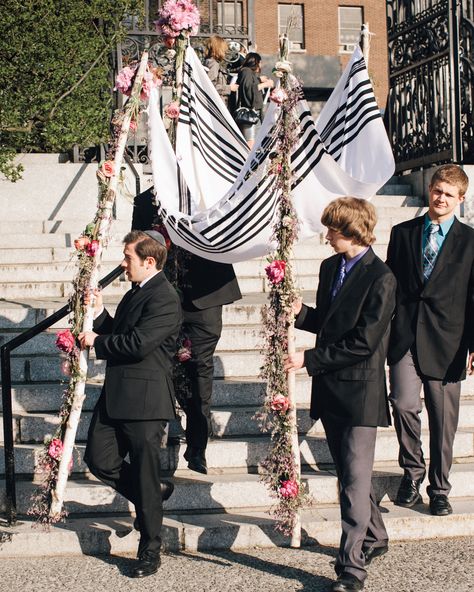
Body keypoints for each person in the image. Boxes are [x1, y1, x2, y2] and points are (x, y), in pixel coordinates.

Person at [285, 197, 397, 592]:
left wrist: (309, 359)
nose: (327, 235)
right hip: (330, 391)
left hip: (360, 394)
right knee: (354, 477)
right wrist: (300, 312)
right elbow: (330, 324)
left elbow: (363, 342)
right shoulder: (329, 267)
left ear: (352, 231)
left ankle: (351, 568)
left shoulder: (382, 277)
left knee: (351, 483)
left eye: (332, 229)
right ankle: (376, 535)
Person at [78, 230, 182, 579]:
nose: (123, 264)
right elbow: (121, 332)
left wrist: (97, 340)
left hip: (146, 402)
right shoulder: (137, 291)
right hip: (117, 394)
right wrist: (101, 312)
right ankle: (151, 491)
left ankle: (150, 551)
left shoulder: (164, 297)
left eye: (128, 258)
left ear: (148, 261)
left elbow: (138, 344)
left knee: (143, 471)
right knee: (98, 458)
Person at [131, 188, 242, 475]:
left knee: (199, 368)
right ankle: (159, 432)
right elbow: (137, 249)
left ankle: (197, 447)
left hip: (205, 297)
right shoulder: (146, 201)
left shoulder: (211, 188)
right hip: (163, 297)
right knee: (163, 367)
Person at [386, 164, 474, 516]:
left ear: (460, 199)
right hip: (405, 335)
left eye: (448, 194)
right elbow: (388, 287)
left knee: (443, 420)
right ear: (430, 190)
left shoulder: (470, 242)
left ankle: (439, 488)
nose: (440, 198)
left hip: (448, 341)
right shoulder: (402, 232)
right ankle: (412, 472)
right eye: (437, 190)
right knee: (404, 404)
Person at [235, 52, 274, 148]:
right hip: (249, 113)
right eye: (259, 62)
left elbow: (250, 83)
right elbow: (248, 88)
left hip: (254, 113)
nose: (261, 65)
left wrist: (259, 80)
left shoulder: (247, 72)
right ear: (255, 62)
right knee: (251, 142)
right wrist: (265, 84)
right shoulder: (246, 71)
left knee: (255, 140)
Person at [203, 35, 238, 104]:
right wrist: (229, 88)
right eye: (224, 49)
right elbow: (210, 86)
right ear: (218, 49)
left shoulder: (209, 61)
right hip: (216, 103)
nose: (225, 51)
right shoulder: (213, 64)